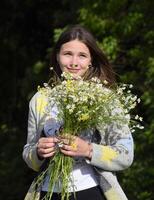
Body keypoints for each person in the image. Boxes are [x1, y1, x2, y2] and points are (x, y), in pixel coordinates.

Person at [23, 25, 134, 200]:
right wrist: (38, 151)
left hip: (93, 191)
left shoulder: (105, 99)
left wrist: (88, 150)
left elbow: (126, 155)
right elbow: (29, 156)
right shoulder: (40, 99)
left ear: (91, 60)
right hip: (48, 192)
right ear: (57, 57)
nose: (74, 62)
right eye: (67, 54)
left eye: (82, 55)